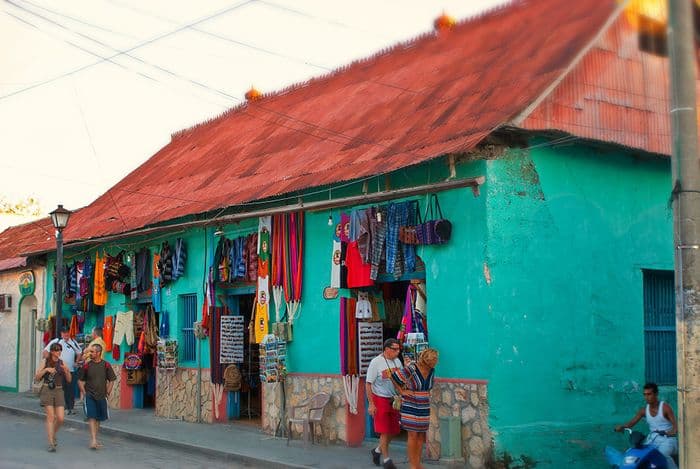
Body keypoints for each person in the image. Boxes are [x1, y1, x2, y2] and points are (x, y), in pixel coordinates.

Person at [392, 348, 439, 469]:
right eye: (433, 359)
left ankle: (418, 463)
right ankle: (413, 465)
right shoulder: (412, 368)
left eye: (435, 359)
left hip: (424, 404)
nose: (435, 362)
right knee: (412, 434)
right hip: (410, 403)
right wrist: (402, 391)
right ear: (427, 360)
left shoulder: (432, 371)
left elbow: (428, 387)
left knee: (421, 435)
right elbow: (394, 377)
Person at [615, 382, 678, 469]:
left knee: (661, 455)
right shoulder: (644, 410)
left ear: (656, 394)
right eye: (645, 394)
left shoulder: (665, 407)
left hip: (668, 440)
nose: (647, 397)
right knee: (638, 454)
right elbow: (631, 423)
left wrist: (672, 431)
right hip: (652, 440)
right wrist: (622, 427)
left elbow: (675, 425)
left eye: (649, 394)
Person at [366, 338, 403, 469]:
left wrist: (402, 393)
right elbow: (368, 384)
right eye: (395, 349)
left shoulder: (397, 362)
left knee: (394, 430)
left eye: (399, 349)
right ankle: (387, 459)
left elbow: (399, 380)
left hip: (393, 399)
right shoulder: (376, 363)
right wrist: (371, 404)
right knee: (384, 431)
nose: (398, 352)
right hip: (380, 398)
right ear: (387, 349)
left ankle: (377, 451)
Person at [35, 341, 72, 452]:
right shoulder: (45, 361)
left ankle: (53, 434)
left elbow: (69, 380)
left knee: (60, 418)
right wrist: (46, 369)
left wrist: (67, 371)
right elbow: (37, 377)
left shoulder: (62, 363)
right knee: (51, 417)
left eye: (60, 350)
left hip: (59, 390)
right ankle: (51, 442)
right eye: (56, 350)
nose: (59, 352)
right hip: (47, 390)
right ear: (51, 351)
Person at [78, 344, 116, 449]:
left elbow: (112, 379)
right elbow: (80, 381)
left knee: (98, 418)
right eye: (90, 352)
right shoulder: (87, 365)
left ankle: (95, 438)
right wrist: (84, 392)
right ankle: (93, 440)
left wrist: (108, 391)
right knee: (92, 417)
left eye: (92, 352)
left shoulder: (106, 365)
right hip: (89, 395)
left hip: (102, 396)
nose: (90, 354)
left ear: (99, 353)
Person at [43, 326, 82, 415]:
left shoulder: (73, 342)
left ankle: (70, 408)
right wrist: (50, 362)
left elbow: (79, 352)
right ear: (61, 334)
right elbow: (45, 351)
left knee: (70, 390)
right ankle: (62, 408)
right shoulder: (56, 341)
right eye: (64, 332)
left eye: (67, 332)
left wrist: (76, 361)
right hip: (58, 371)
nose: (66, 334)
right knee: (60, 389)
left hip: (70, 370)